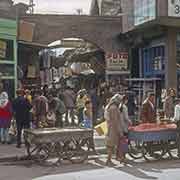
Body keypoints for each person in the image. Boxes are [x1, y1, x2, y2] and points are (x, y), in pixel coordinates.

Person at [104, 94, 124, 166]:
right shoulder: (114, 108)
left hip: (109, 127)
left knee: (111, 145)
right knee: (113, 145)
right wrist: (120, 131)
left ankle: (117, 158)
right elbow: (116, 121)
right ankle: (109, 160)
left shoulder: (109, 106)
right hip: (113, 129)